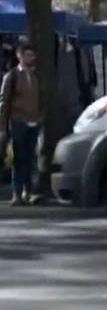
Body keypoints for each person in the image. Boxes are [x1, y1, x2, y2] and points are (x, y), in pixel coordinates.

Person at [0, 43, 42, 206]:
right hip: (18, 122)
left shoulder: (36, 76)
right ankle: (17, 193)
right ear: (19, 55)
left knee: (30, 158)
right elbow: (3, 103)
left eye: (33, 55)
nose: (31, 58)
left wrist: (40, 117)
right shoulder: (12, 76)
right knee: (19, 158)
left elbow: (42, 97)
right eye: (27, 54)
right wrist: (3, 128)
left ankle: (28, 191)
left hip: (34, 122)